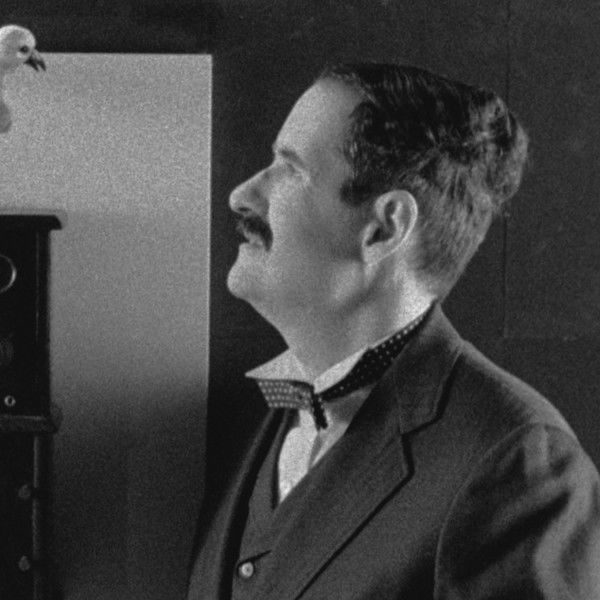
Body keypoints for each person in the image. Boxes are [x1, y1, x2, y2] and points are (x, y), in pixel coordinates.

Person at [187, 63, 600, 599]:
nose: (241, 194)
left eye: (289, 169)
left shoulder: (521, 465)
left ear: (384, 228)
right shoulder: (255, 416)